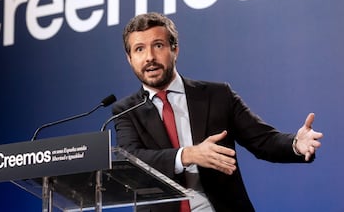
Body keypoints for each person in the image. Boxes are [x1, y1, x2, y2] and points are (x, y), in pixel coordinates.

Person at [112, 12, 323, 212]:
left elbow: (263, 141)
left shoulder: (217, 95)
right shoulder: (126, 111)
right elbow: (133, 162)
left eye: (158, 45)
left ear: (175, 49)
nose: (149, 57)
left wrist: (295, 144)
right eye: (139, 49)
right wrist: (187, 154)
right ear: (129, 58)